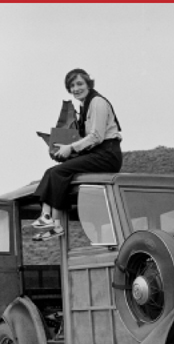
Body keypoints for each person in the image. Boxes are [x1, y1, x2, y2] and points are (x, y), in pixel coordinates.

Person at [32, 68, 123, 241]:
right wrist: (64, 148)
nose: (76, 89)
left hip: (107, 154)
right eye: (72, 86)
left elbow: (97, 136)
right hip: (97, 152)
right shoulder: (84, 105)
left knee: (57, 172)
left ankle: (49, 220)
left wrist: (71, 148)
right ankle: (51, 221)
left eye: (79, 84)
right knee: (56, 171)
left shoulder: (97, 102)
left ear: (88, 84)